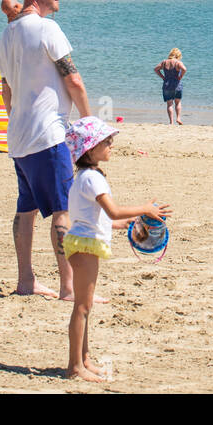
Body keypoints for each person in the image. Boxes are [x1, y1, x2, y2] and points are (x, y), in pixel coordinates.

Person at [0, 0, 93, 299]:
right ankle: (69, 286)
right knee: (62, 210)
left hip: (19, 137)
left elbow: (6, 91)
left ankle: (26, 281)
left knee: (27, 210)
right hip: (48, 136)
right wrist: (88, 122)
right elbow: (74, 79)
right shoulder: (47, 29)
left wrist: (17, 119)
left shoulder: (7, 35)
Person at [61, 115, 170, 382]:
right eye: (105, 140)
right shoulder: (92, 178)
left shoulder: (84, 176)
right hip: (85, 246)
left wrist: (125, 224)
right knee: (82, 308)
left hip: (82, 242)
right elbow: (112, 211)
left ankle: (84, 359)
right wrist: (145, 208)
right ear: (89, 148)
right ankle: (75, 366)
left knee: (84, 306)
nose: (111, 143)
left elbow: (94, 218)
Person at [154, 48, 187, 125]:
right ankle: (178, 118)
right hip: (177, 85)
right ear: (178, 55)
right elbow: (184, 69)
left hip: (167, 85)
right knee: (178, 103)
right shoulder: (178, 63)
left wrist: (162, 77)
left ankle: (171, 122)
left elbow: (156, 69)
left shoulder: (164, 62)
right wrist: (181, 76)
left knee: (169, 104)